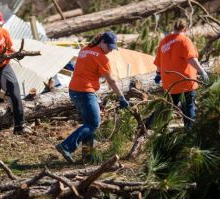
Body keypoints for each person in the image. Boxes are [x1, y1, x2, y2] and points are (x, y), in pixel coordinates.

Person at [55, 31, 129, 163]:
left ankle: (87, 157)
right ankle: (66, 146)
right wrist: (121, 97)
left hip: (74, 90)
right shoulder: (102, 57)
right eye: (109, 47)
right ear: (102, 42)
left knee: (88, 123)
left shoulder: (85, 49)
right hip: (85, 91)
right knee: (94, 124)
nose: (110, 51)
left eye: (113, 48)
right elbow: (111, 81)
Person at [147, 19, 209, 130]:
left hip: (170, 83)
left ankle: (147, 124)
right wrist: (202, 71)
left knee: (166, 106)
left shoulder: (164, 41)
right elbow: (191, 59)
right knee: (189, 107)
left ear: (173, 27)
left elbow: (158, 62)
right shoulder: (184, 40)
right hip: (185, 81)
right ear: (185, 28)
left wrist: (158, 73)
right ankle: (190, 132)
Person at [0, 8, 31, 136]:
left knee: (15, 93)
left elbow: (9, 48)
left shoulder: (3, 32)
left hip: (5, 67)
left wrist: (17, 54)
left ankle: (20, 126)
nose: (0, 24)